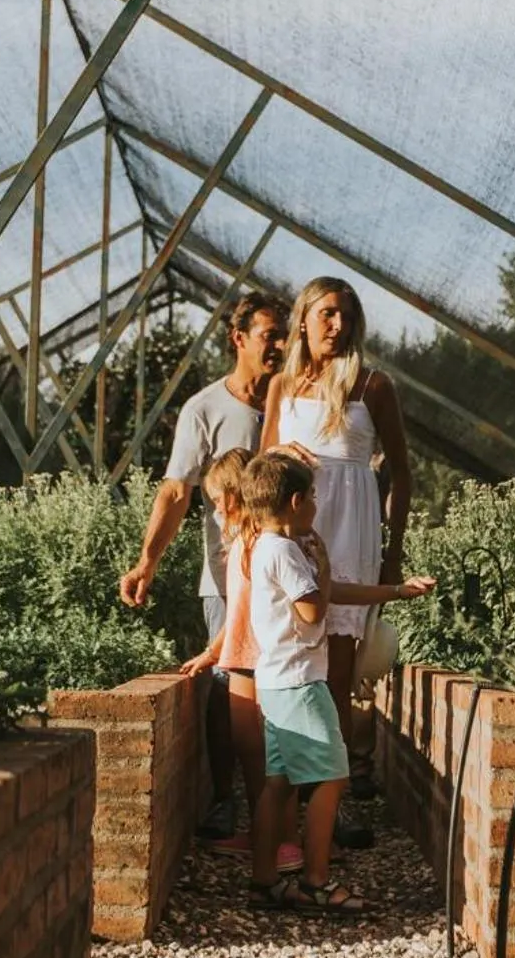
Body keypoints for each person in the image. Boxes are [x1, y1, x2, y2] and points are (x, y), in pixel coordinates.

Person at [119, 290, 288, 838]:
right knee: (224, 683)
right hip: (228, 578)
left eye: (286, 335)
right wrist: (148, 563)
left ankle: (294, 803)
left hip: (289, 575)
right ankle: (225, 798)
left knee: (292, 683)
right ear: (239, 339)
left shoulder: (296, 403)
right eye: (270, 335)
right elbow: (175, 492)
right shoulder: (206, 409)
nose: (281, 346)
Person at [241, 451, 433, 914]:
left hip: (278, 682)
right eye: (312, 499)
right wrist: (323, 563)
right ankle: (315, 881)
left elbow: (327, 593)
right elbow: (314, 608)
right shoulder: (285, 551)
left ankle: (266, 880)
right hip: (301, 684)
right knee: (332, 778)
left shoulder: (269, 546)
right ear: (294, 501)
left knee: (280, 783)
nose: (316, 507)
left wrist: (395, 591)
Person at [260, 277, 411, 799]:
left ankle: (333, 801)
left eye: (346, 315)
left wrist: (393, 554)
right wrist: (282, 459)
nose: (337, 325)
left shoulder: (373, 386)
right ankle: (290, 790)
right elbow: (260, 471)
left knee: (338, 677)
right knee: (292, 657)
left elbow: (403, 473)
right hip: (294, 529)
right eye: (326, 313)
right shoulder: (282, 387)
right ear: (303, 319)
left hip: (351, 529)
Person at [181, 450, 303, 870]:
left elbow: (243, 613)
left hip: (254, 657)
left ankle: (279, 841)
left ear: (234, 497)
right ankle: (268, 835)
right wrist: (213, 653)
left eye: (217, 498)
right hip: (246, 655)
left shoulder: (252, 547)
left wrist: (213, 652)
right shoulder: (250, 544)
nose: (215, 507)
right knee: (259, 757)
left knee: (263, 758)